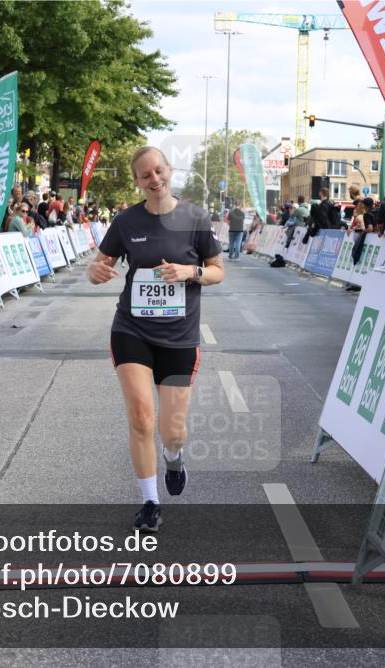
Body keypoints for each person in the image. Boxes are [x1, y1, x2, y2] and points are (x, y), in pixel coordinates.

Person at [87, 146, 224, 532]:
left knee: (172, 430)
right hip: (132, 329)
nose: (155, 179)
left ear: (170, 169)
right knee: (142, 418)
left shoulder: (195, 217)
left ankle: (174, 457)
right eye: (145, 175)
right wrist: (93, 272)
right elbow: (100, 263)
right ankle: (150, 501)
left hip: (180, 338)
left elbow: (217, 271)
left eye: (159, 171)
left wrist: (189, 271)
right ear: (137, 181)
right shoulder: (127, 221)